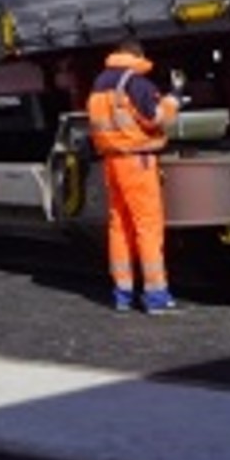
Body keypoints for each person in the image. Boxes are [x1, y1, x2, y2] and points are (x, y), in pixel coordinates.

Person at [88, 39, 182, 313]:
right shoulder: (136, 82)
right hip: (137, 162)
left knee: (119, 227)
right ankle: (155, 296)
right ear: (137, 55)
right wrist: (174, 99)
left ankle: (123, 293)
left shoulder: (99, 84)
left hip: (112, 162)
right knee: (147, 226)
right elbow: (156, 117)